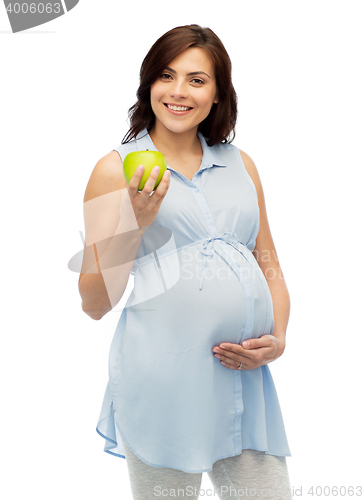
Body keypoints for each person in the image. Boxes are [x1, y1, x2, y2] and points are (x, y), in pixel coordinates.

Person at [78, 24, 293, 500]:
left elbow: (270, 267)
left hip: (244, 382)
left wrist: (276, 339)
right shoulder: (115, 169)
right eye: (166, 76)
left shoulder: (241, 164)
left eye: (197, 80)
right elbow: (94, 301)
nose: (178, 92)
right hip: (164, 386)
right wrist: (133, 222)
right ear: (149, 84)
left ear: (217, 94)